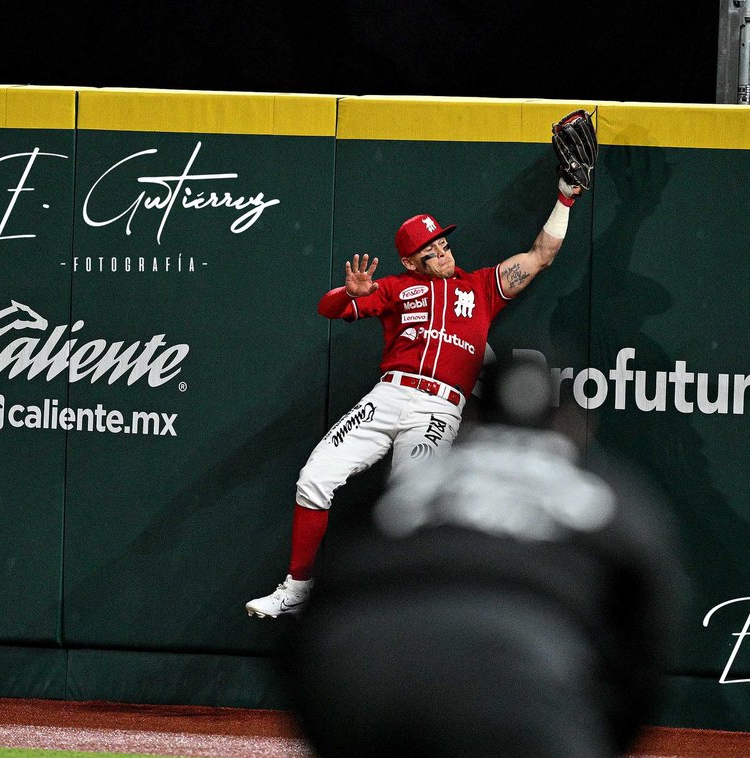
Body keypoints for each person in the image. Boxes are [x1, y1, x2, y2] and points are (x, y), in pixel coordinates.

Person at [278, 355, 683, 758]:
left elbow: (311, 603)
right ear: (570, 423)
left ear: (469, 417)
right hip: (516, 672)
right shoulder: (603, 489)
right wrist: (586, 746)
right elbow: (650, 633)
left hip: (363, 664)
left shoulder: (405, 482)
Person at [245, 175, 585, 618]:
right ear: (411, 260)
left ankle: (409, 611)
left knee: (410, 509)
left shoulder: (480, 288)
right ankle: (297, 588)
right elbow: (329, 308)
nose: (443, 253)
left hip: (438, 407)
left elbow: (541, 255)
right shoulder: (394, 289)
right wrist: (349, 293)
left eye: (444, 245)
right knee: (313, 478)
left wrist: (565, 196)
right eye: (431, 251)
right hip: (387, 396)